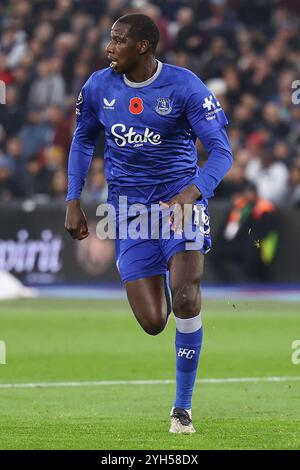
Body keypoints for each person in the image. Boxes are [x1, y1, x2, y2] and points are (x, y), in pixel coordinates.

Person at [65, 14, 233, 434]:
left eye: (118, 40)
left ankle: (182, 408)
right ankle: (175, 295)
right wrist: (73, 198)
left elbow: (221, 151)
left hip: (179, 202)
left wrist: (194, 191)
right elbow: (84, 138)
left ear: (143, 46)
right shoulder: (98, 86)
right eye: (110, 39)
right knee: (155, 321)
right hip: (128, 210)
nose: (109, 47)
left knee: (187, 296)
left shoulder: (185, 86)